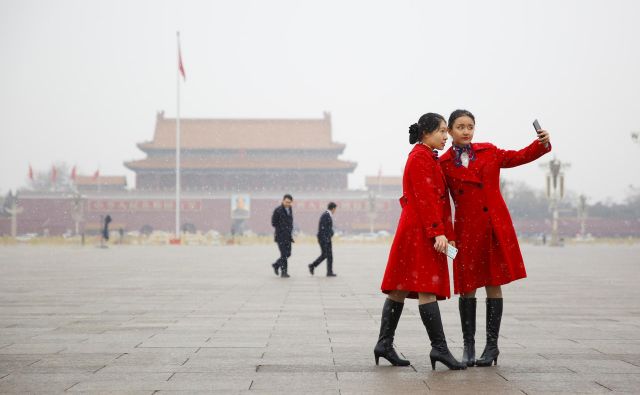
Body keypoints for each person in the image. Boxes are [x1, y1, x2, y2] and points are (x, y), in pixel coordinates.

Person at [439, 109, 551, 367]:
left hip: (493, 227)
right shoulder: (444, 164)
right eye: (460, 127)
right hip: (465, 231)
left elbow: (519, 156)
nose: (466, 131)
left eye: (470, 126)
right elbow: (443, 204)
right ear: (450, 131)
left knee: (493, 282)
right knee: (467, 286)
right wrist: (449, 234)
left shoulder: (489, 152)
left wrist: (541, 144)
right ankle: (468, 346)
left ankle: (492, 347)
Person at [375, 113, 466, 371]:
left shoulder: (426, 156)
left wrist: (445, 233)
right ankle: (439, 349)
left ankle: (384, 344)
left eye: (446, 131)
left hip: (417, 229)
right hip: (421, 231)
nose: (446, 136)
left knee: (401, 286)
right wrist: (437, 232)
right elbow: (426, 198)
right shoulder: (420, 158)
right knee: (426, 286)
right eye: (441, 131)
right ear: (426, 133)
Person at [308, 202, 337, 277]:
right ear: (333, 208)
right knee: (325, 254)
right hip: (324, 239)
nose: (335, 211)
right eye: (335, 209)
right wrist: (326, 237)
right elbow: (323, 228)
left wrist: (331, 234)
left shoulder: (327, 215)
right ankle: (312, 265)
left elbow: (327, 228)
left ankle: (329, 272)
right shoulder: (326, 215)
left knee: (329, 255)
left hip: (326, 238)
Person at [271, 194, 294, 278]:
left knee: (288, 254)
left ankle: (276, 265)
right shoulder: (278, 210)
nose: (288, 204)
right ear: (283, 201)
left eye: (289, 202)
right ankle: (284, 272)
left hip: (288, 236)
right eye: (286, 202)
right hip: (280, 236)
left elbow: (290, 221)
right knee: (284, 254)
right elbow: (273, 223)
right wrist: (281, 228)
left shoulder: (290, 209)